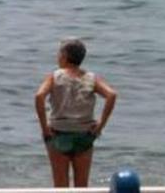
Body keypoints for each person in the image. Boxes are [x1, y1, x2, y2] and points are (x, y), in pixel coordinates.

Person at [34, 38, 118, 188]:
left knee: (61, 185)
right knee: (82, 185)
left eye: (59, 53)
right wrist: (100, 126)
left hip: (58, 134)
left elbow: (39, 96)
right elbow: (111, 95)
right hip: (84, 134)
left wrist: (44, 128)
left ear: (65, 56)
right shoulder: (90, 78)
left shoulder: (55, 76)